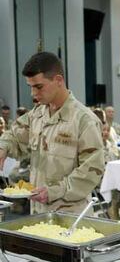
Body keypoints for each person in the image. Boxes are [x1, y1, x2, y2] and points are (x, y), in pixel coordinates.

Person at [0, 52, 105, 214]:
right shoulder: (37, 114)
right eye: (31, 87)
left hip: (69, 215)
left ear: (58, 80)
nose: (33, 94)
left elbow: (92, 171)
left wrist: (54, 191)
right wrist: (3, 147)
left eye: (39, 87)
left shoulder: (84, 121)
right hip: (38, 211)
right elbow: (14, 135)